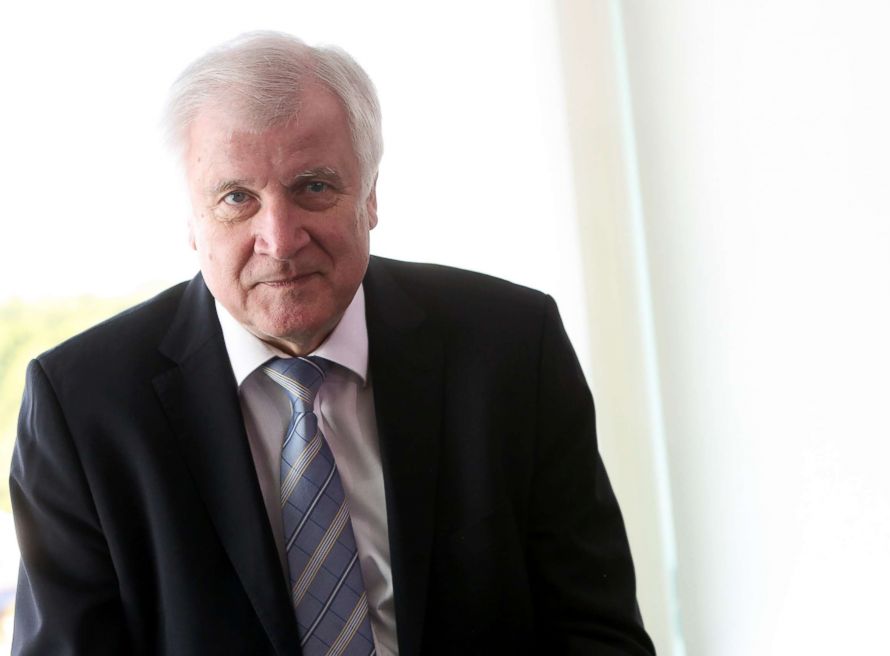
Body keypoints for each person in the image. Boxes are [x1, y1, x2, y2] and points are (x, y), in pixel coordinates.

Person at [10, 32, 655, 656]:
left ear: (370, 195)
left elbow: (596, 632)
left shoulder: (512, 346)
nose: (281, 238)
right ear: (191, 221)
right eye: (237, 198)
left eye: (313, 186)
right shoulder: (83, 406)